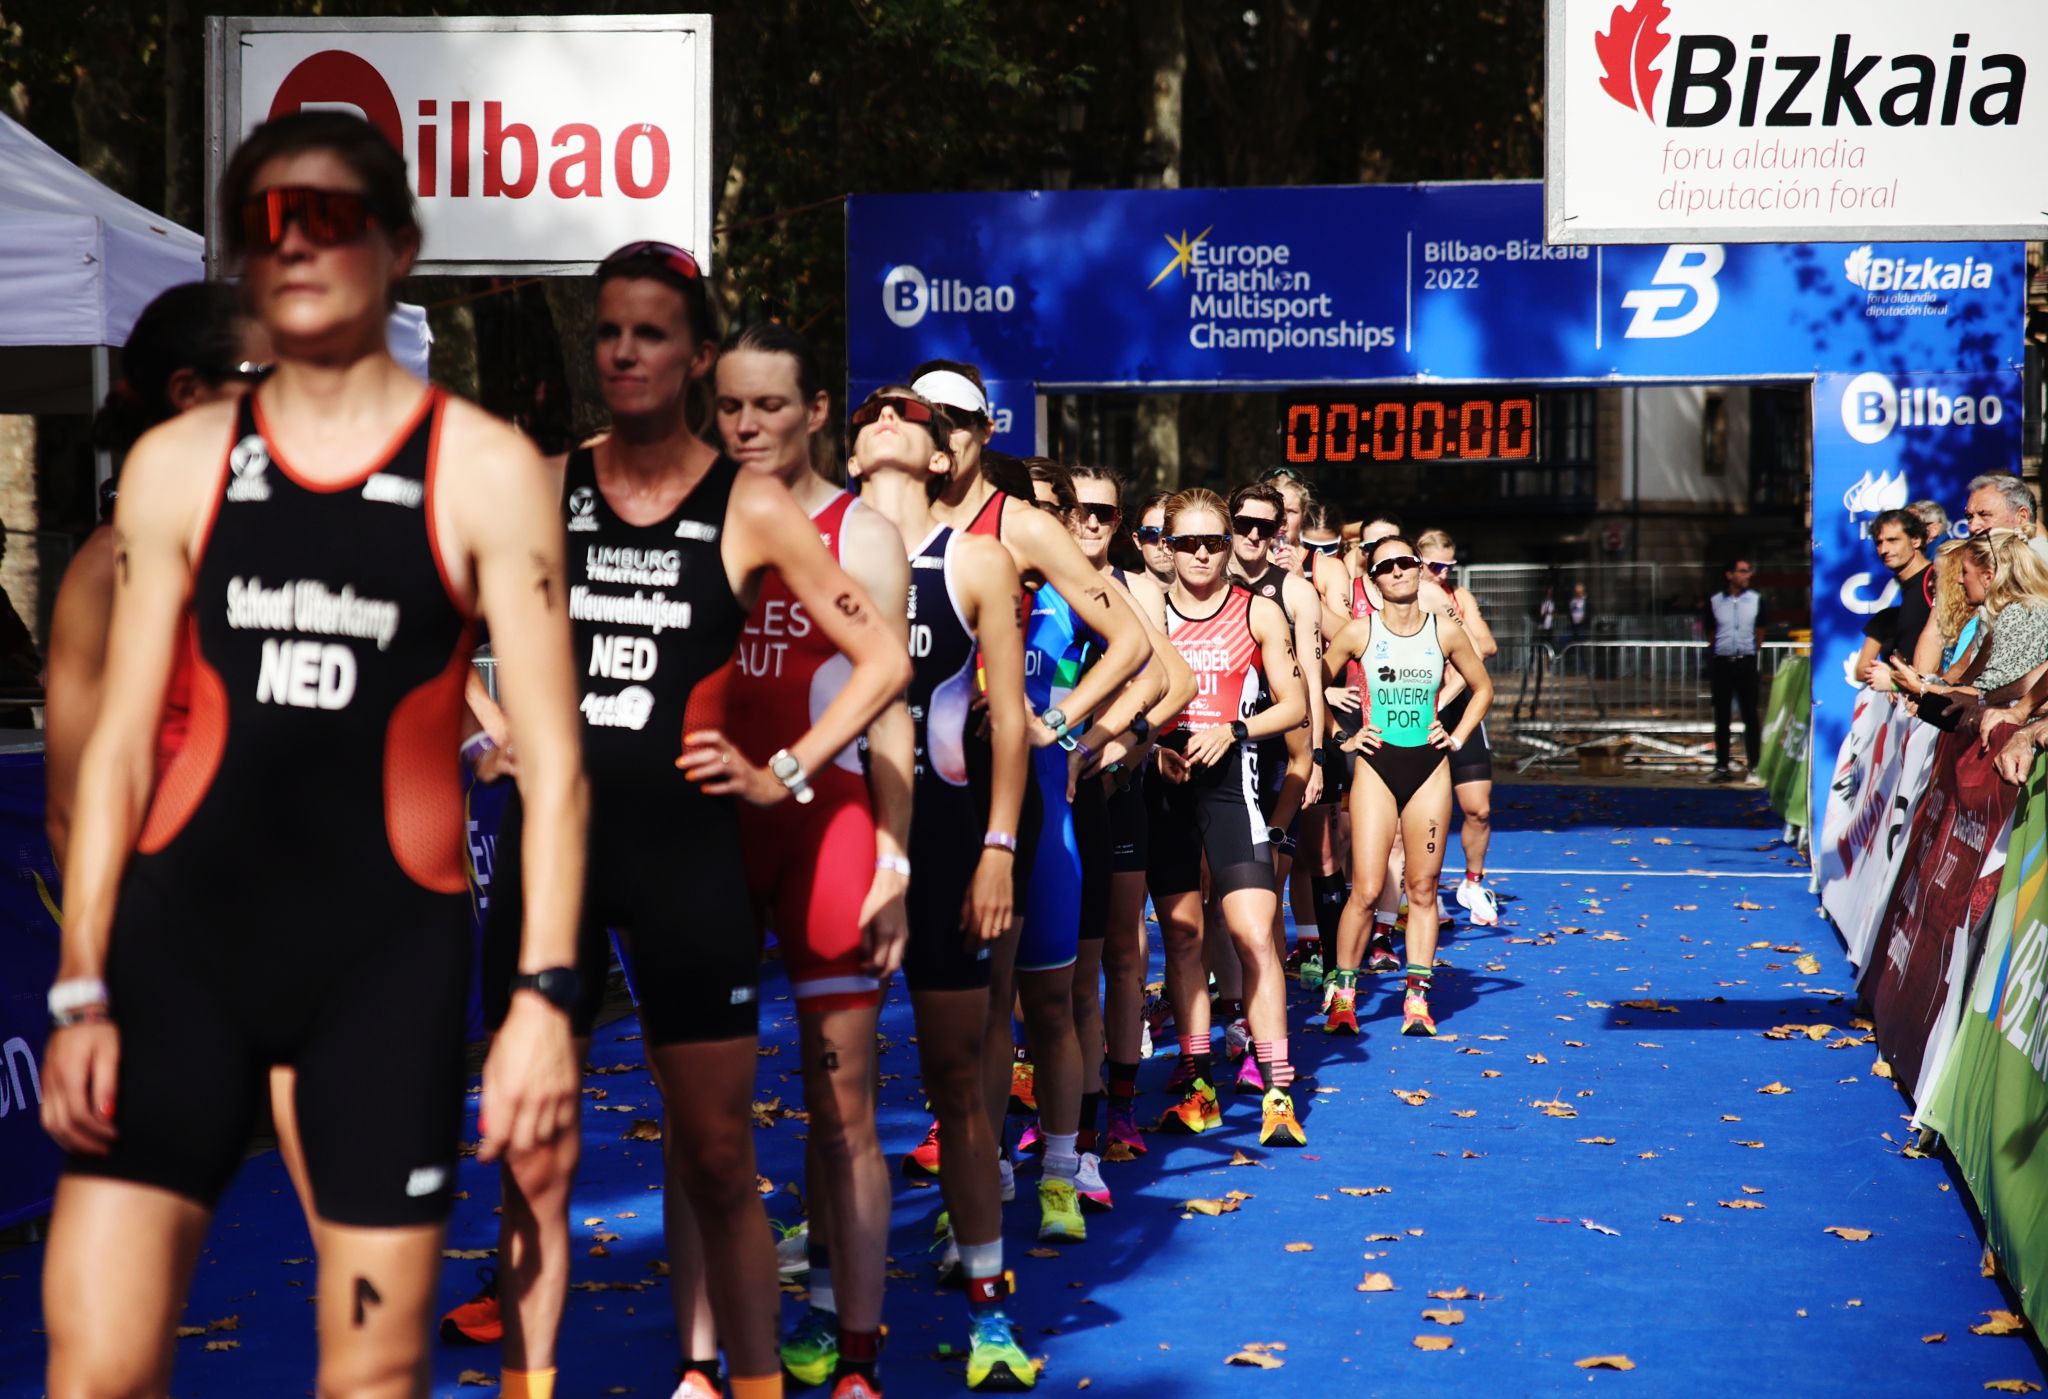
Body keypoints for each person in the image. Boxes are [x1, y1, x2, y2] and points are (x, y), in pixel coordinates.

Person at [40, 110, 588, 1399]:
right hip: (178, 956)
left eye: (327, 216)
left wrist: (544, 1005)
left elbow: (554, 767)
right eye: (265, 225)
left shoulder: (488, 471)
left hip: (380, 970)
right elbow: (119, 750)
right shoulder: (177, 466)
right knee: (95, 1365)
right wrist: (80, 984)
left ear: (398, 244)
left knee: (371, 1374)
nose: (293, 245)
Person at [477, 242, 910, 1399]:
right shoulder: (543, 480)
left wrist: (788, 768)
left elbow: (878, 658)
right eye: (608, 332)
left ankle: (748, 1382)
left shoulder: (750, 503)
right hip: (553, 853)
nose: (624, 351)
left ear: (694, 355)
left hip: (684, 856)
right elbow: (435, 617)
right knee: (533, 1159)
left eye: (652, 332)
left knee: (720, 1155)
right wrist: (489, 723)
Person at [710, 322, 917, 1399]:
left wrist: (893, 856)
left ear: (817, 412)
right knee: (704, 1112)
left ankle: (855, 1357)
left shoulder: (861, 533)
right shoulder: (688, 510)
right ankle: (707, 1361)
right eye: (731, 406)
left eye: (771, 408)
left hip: (819, 820)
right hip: (707, 823)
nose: (747, 426)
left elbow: (888, 719)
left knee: (841, 1110)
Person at [910, 363, 1150, 1250]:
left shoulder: (1024, 526)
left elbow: (1133, 641)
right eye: (925, 419)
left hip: (1030, 807)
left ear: (986, 427)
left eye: (959, 420)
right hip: (933, 804)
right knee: (970, 1013)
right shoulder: (886, 525)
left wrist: (1059, 719)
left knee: (1048, 1004)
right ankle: (980, 1179)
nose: (942, 436)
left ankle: (1058, 1172)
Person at [848, 385, 1034, 1392]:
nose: (884, 414)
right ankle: (832, 1307)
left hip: (951, 839)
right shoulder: (813, 541)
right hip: (844, 844)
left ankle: (989, 1307)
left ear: (937, 453)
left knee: (957, 1080)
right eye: (869, 408)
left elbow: (1006, 718)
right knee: (838, 1089)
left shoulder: (975, 558)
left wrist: (999, 845)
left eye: (905, 412)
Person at [47, 281, 269, 867]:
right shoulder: (106, 569)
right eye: (267, 374)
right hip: (183, 923)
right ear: (189, 392)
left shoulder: (293, 535)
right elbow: (72, 814)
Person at [1148, 488, 1310, 1147]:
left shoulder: (1257, 611)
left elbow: (1294, 704)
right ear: (1168, 547)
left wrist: (1236, 727)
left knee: (1254, 932)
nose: (1201, 554)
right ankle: (1197, 1080)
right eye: (1186, 542)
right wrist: (1155, 746)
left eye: (1212, 542)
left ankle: (1277, 1090)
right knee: (1184, 937)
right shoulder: (1146, 610)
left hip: (1232, 791)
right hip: (1165, 791)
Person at [1060, 465, 1193, 1158]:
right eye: (1079, 509)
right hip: (1047, 795)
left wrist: (1121, 739)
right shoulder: (1034, 578)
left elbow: (1176, 681)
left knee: (1118, 953)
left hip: (1115, 796)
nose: (1090, 522)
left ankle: (1115, 1108)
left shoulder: (1123, 590)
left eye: (1105, 514)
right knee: (1049, 967)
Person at [1322, 535, 1493, 1038]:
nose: (1397, 571)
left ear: (1419, 570)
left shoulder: (1444, 631)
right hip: (1376, 765)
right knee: (1368, 889)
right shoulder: (1359, 631)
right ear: (1373, 580)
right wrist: (1340, 736)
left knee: (1422, 888)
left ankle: (1416, 998)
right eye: (1386, 566)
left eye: (1406, 562)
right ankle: (1345, 993)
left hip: (1429, 766)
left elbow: (1482, 686)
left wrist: (1457, 735)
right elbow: (1314, 684)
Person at [1415, 530, 1501, 927]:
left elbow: (1484, 646)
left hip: (1458, 701)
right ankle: (1419, 891)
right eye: (1434, 566)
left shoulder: (1457, 598)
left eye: (1449, 566)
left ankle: (1472, 882)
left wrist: (1453, 666)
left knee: (1477, 807)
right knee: (1422, 811)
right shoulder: (1402, 595)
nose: (1442, 574)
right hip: (1420, 706)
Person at [1852, 508, 1932, 689]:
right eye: (1879, 543)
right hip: (1915, 698)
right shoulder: (1898, 605)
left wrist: (1897, 681)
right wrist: (1895, 679)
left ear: (1916, 540)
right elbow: (1861, 670)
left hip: (1938, 696)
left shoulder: (1935, 579)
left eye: (1893, 540)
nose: (1884, 550)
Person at [1705, 558, 1764, 782]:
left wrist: (1749, 651)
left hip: (1746, 661)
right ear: (1729, 575)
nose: (1747, 575)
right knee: (1722, 717)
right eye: (1742, 571)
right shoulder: (1716, 601)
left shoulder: (1757, 600)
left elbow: (1760, 630)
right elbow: (1710, 631)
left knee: (1750, 715)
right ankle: (1721, 766)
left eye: (1748, 571)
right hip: (1722, 662)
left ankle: (1754, 767)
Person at [1131, 491, 1175, 589]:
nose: (1161, 545)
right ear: (1137, 540)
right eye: (1151, 535)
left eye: (1169, 534)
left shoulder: (1205, 596)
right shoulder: (1123, 594)